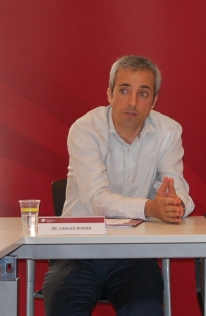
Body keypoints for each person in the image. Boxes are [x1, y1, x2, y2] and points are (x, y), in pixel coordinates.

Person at [42, 55, 194, 316]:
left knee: (144, 309)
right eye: (124, 90)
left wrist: (174, 203)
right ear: (110, 94)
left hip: (133, 253)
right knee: (64, 309)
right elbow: (97, 199)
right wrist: (150, 208)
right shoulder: (85, 129)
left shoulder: (168, 132)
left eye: (143, 93)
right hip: (77, 251)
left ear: (154, 100)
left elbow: (178, 187)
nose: (133, 102)